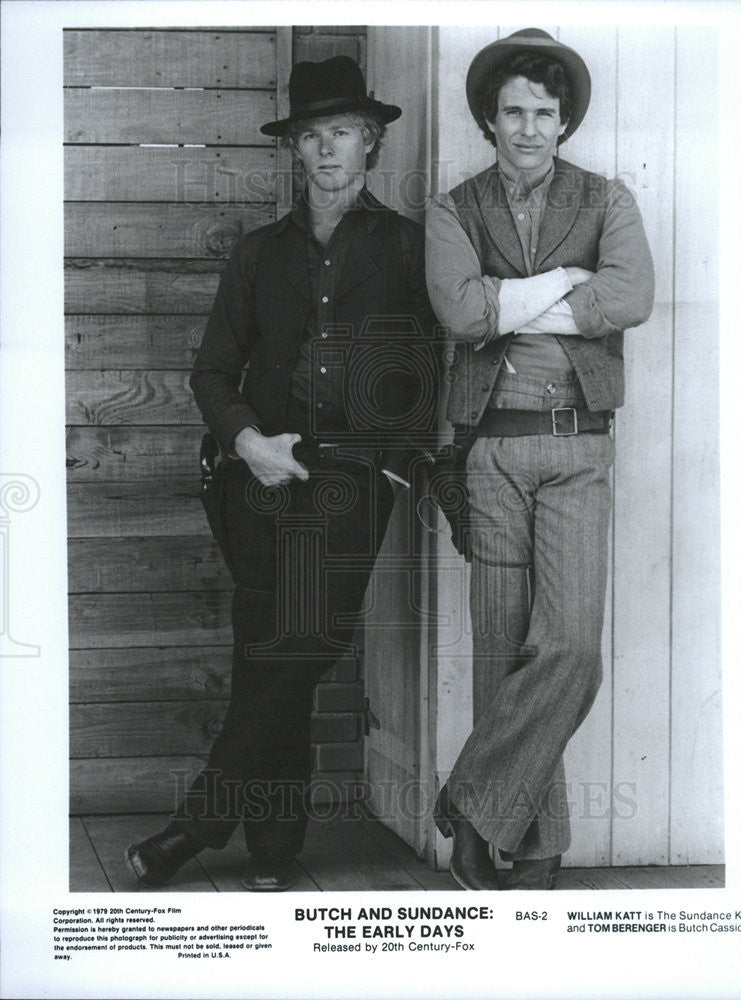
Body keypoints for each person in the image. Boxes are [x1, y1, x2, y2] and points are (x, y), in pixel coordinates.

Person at [126, 56, 436, 891]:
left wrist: (399, 461)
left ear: (370, 143)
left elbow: (434, 368)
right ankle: (271, 849)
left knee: (298, 644)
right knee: (271, 650)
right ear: (295, 150)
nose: (326, 149)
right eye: (312, 136)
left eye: (342, 133)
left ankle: (200, 822)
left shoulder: (408, 248)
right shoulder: (260, 255)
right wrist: (248, 443)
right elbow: (211, 373)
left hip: (353, 484)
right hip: (256, 482)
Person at [426, 29, 654, 890]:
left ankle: (468, 801)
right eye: (513, 112)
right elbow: (458, 312)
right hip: (489, 450)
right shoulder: (454, 207)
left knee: (570, 647)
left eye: (544, 114)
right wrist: (566, 282)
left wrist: (509, 303)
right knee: (501, 649)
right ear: (490, 118)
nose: (528, 128)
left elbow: (631, 295)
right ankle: (528, 842)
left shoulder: (607, 199)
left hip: (576, 448)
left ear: (564, 123)